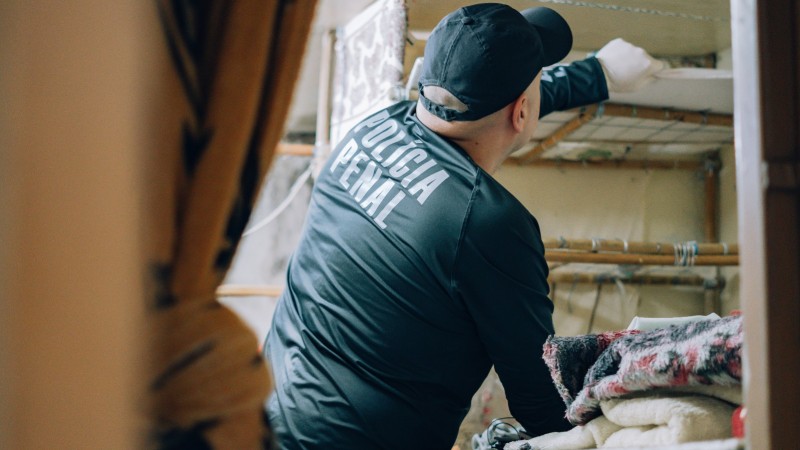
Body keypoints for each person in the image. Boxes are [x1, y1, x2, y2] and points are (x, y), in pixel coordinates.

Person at [265, 4, 619, 449]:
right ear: (522, 112)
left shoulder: (370, 130)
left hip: (262, 415)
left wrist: (597, 76)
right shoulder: (488, 223)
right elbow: (542, 399)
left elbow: (505, 106)